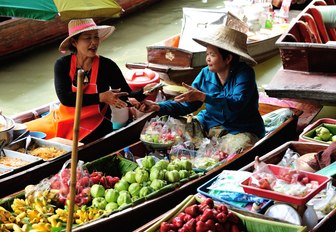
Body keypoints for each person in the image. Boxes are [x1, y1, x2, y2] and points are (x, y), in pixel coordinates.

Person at [26, 18, 150, 144]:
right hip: (64, 119)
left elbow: (125, 96)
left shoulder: (107, 65)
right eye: (87, 38)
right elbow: (65, 98)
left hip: (96, 123)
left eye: (95, 37)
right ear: (74, 42)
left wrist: (144, 93)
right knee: (27, 132)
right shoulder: (62, 64)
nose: (94, 42)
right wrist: (101, 97)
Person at [138, 25, 265, 146]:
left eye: (212, 55)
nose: (208, 59)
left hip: (240, 129)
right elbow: (187, 105)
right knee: (168, 128)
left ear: (228, 59)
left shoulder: (244, 73)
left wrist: (204, 97)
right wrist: (158, 106)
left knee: (234, 149)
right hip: (209, 124)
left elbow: (237, 103)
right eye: (207, 54)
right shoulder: (205, 73)